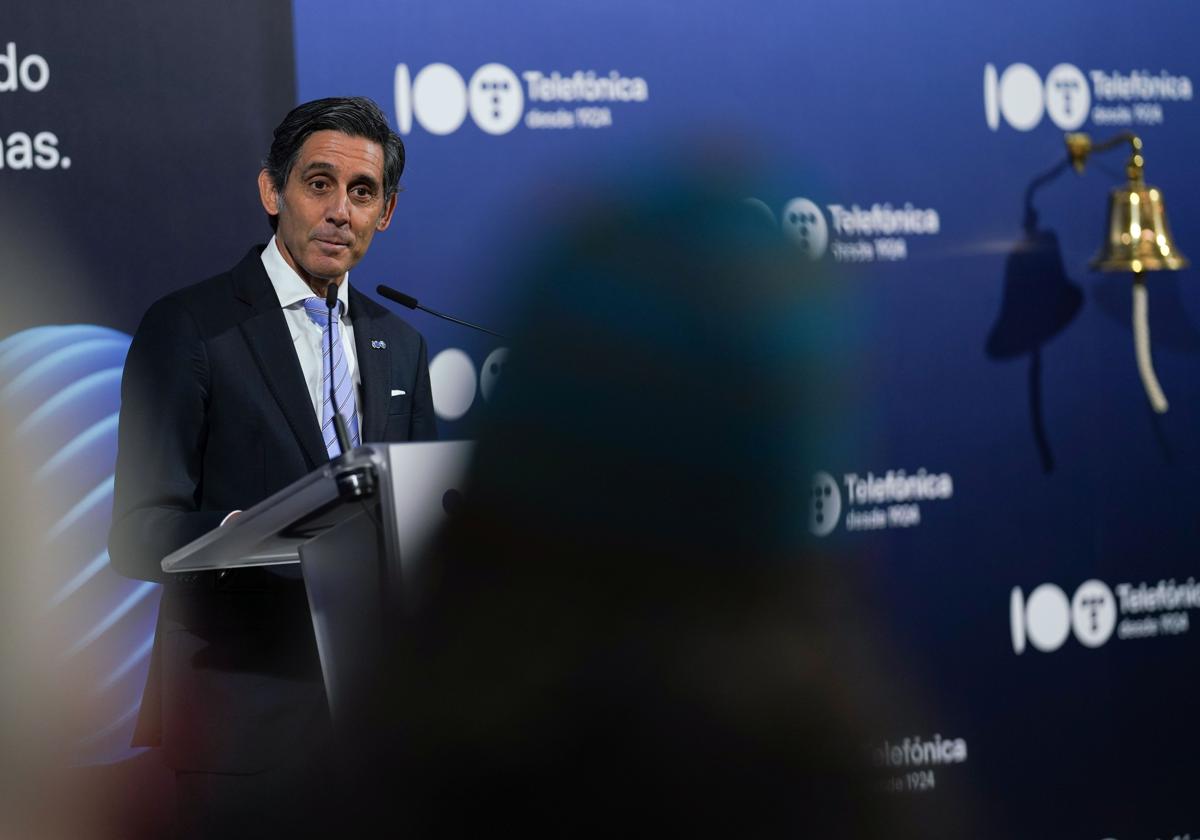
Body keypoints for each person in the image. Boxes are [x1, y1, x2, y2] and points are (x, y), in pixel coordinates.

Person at [108, 96, 436, 838]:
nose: (339, 212)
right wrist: (240, 535)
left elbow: (416, 524)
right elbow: (136, 531)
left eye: (362, 193)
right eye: (318, 184)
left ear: (385, 211)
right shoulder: (191, 327)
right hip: (241, 725)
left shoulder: (402, 345)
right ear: (271, 191)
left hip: (378, 732)